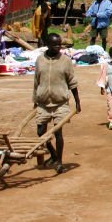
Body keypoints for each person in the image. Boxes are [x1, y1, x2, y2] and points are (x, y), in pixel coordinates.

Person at [33, 32, 81, 174]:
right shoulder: (40, 60)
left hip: (60, 102)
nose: (58, 47)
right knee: (41, 132)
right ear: (47, 45)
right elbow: (36, 81)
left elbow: (72, 82)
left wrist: (78, 102)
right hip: (43, 102)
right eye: (55, 45)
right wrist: (35, 99)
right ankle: (52, 154)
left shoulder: (65, 61)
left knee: (58, 132)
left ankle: (59, 161)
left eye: (60, 45)